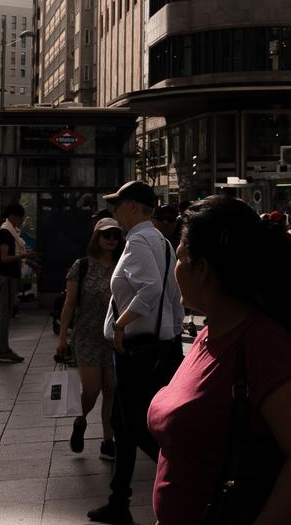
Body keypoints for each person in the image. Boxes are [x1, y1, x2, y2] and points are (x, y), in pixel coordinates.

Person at [135, 195, 291, 525]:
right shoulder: (209, 333)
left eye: (179, 256)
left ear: (201, 268)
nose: (174, 268)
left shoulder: (264, 345)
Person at [90, 182, 185, 525]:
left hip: (136, 348)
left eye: (118, 203)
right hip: (152, 345)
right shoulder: (160, 240)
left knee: (135, 425)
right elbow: (174, 295)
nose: (114, 209)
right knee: (121, 423)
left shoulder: (141, 241)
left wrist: (120, 324)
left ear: (133, 206)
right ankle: (119, 500)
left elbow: (152, 288)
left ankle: (186, 479)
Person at [56, 218, 123, 459]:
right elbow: (69, 304)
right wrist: (63, 337)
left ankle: (108, 440)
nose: (111, 239)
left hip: (114, 336)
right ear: (96, 237)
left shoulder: (123, 265)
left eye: (115, 235)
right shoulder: (81, 266)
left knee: (111, 390)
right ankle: (80, 421)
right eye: (106, 235)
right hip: (86, 335)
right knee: (92, 390)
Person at [0, 204, 30, 364]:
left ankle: (2, 349)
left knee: (3, 314)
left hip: (6, 277)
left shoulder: (7, 231)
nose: (21, 221)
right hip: (6, 278)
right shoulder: (6, 233)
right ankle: (2, 350)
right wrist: (23, 256)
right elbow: (3, 258)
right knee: (3, 315)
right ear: (14, 216)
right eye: (20, 217)